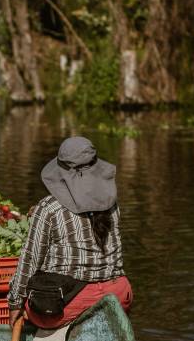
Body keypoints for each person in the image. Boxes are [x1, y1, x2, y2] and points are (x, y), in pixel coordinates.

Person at [7, 136, 132, 330]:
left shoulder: (49, 208)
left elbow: (30, 259)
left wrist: (15, 303)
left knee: (30, 304)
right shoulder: (111, 203)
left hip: (72, 300)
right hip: (119, 294)